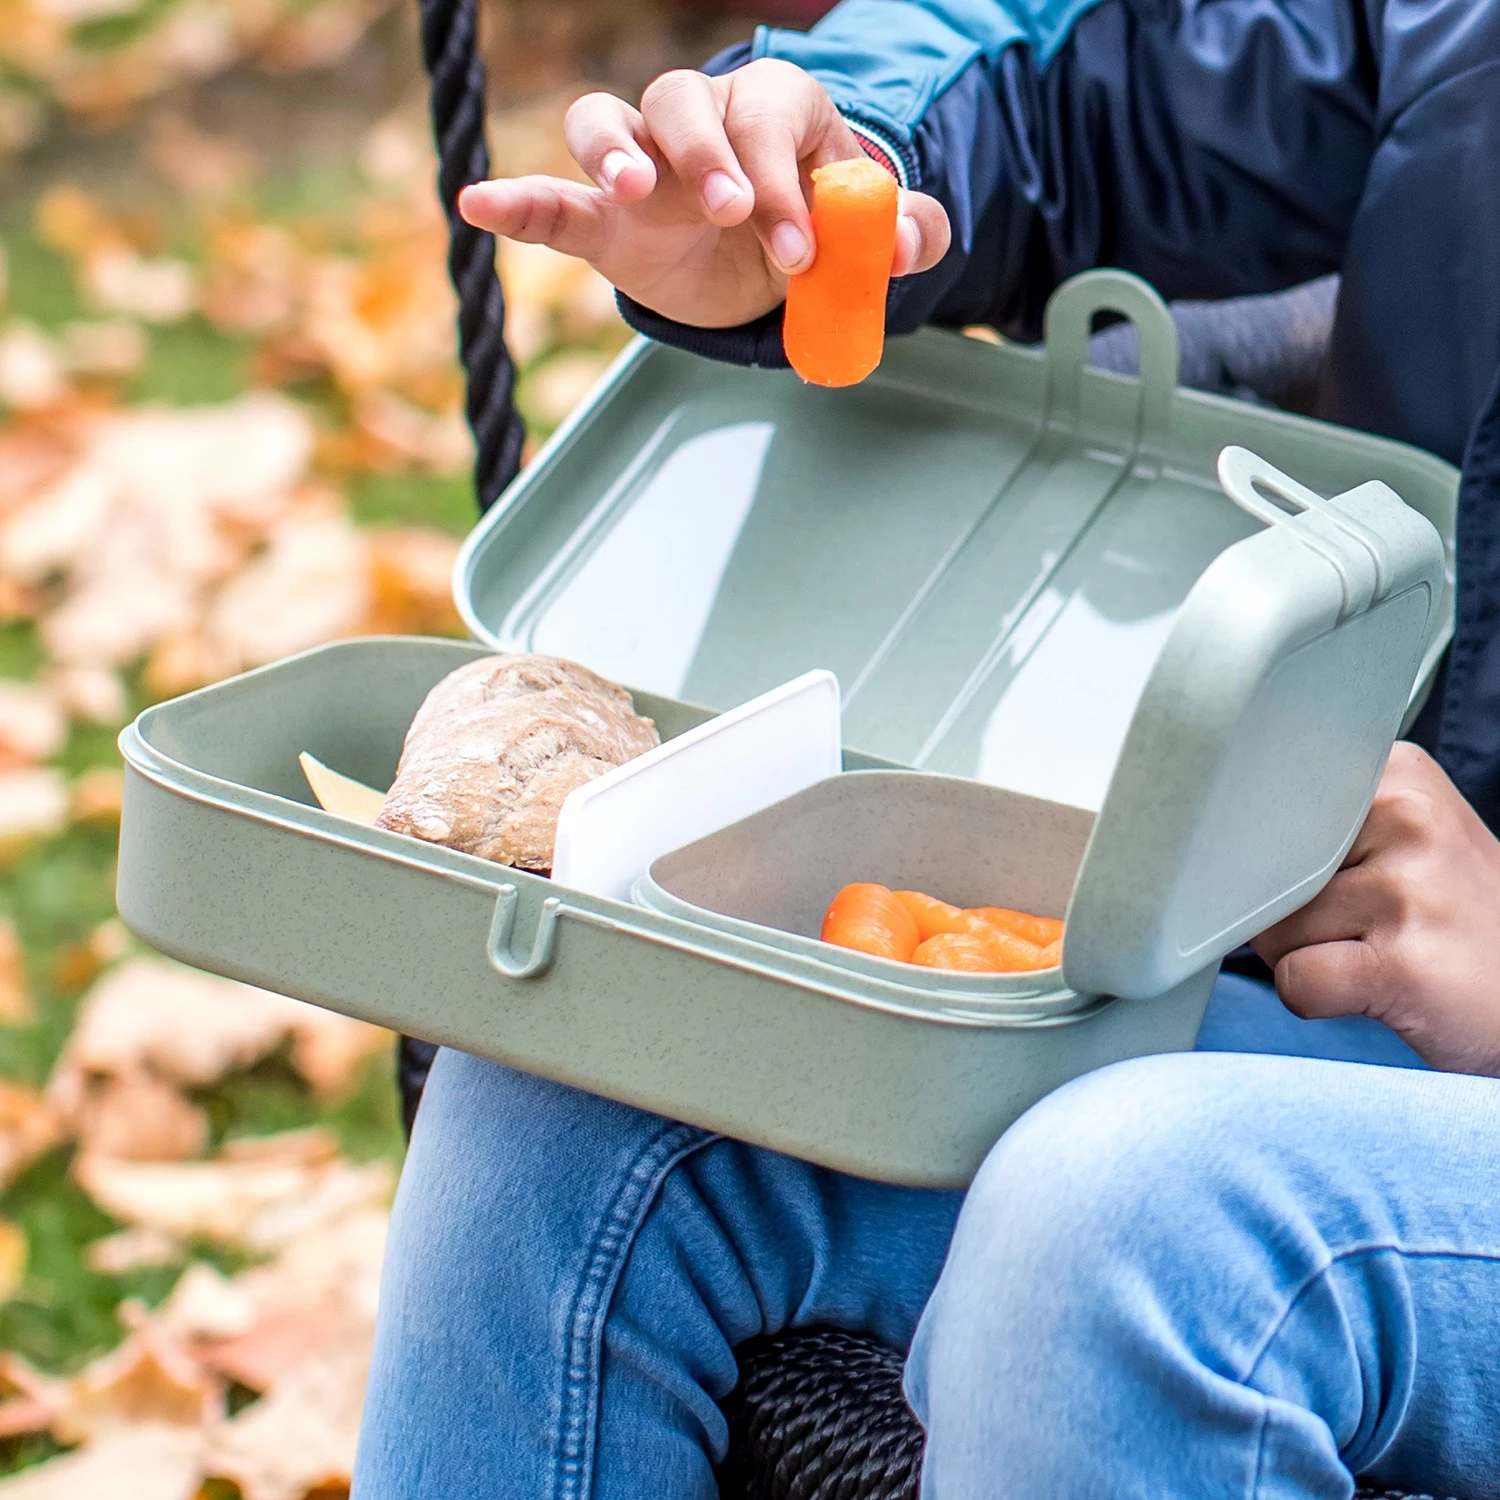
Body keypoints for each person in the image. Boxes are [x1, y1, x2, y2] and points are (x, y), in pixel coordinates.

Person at [351, 0, 1500, 1493]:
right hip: (1378, 1029)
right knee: (592, 1064)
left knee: (1126, 1221)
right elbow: (1078, 74)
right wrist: (828, 164)